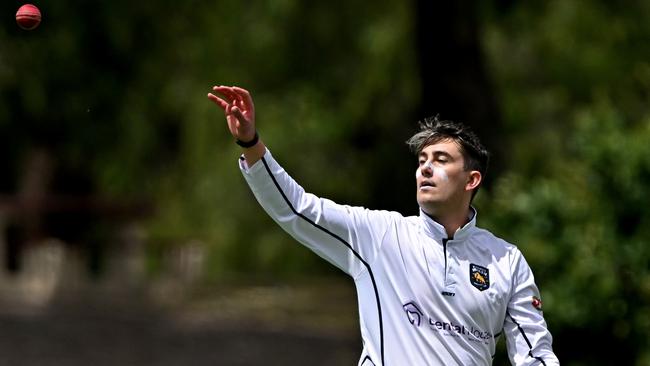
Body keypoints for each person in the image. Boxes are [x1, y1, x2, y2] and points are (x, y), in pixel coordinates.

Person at [207, 85, 560, 366]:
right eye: (422, 160)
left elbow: (536, 355)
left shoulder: (507, 261)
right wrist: (251, 144)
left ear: (471, 180)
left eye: (440, 160)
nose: (425, 168)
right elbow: (297, 208)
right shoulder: (380, 235)